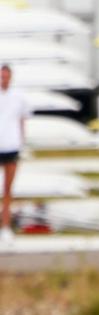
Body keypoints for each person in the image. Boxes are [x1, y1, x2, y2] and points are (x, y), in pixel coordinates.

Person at [0, 63, 29, 244]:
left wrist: (22, 143)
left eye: (5, 76)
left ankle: (6, 227)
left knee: (8, 190)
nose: (3, 79)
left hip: (11, 146)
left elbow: (22, 121)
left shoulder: (19, 98)